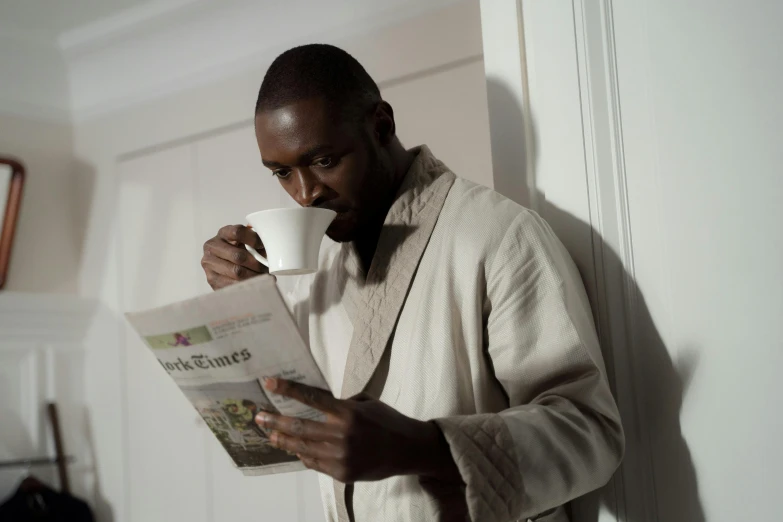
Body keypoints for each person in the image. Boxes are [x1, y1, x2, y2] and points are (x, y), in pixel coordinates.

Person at [200, 44, 624, 522]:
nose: (305, 194)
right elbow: (282, 424)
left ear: (381, 126)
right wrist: (245, 310)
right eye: (282, 172)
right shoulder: (309, 275)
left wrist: (423, 447)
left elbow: (590, 431)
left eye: (323, 160)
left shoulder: (497, 235)